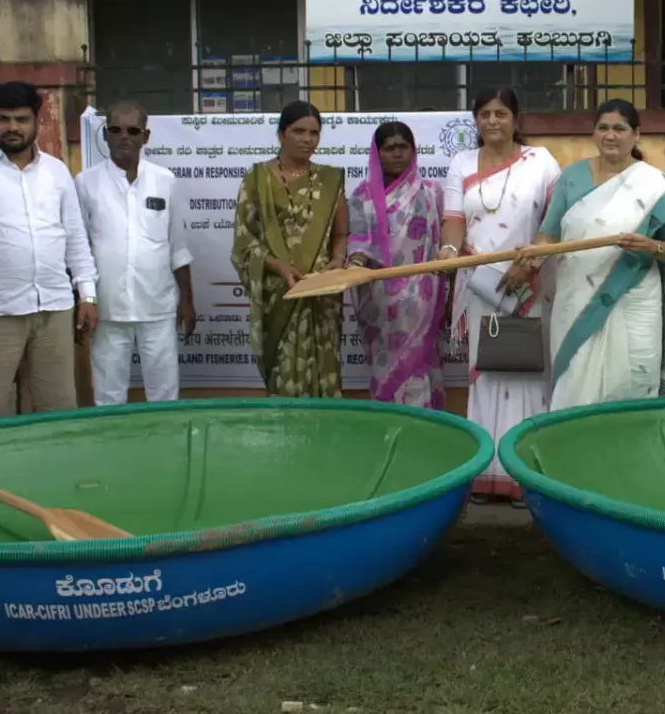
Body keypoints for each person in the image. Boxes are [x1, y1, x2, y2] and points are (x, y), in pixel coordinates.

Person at [0, 81, 99, 421]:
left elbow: (75, 237)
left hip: (54, 308)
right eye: (4, 118)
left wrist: (87, 294)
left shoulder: (57, 171)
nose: (13, 127)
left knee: (58, 407)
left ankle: (53, 471)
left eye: (21, 119)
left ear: (36, 122)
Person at [527, 99, 665, 409]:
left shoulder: (653, 185)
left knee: (632, 384)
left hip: (634, 299)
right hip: (577, 301)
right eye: (603, 128)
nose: (610, 135)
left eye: (620, 128)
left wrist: (652, 246)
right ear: (593, 133)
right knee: (576, 379)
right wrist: (534, 254)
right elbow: (548, 234)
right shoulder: (572, 177)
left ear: (636, 135)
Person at [440, 88, 561, 505]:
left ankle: (522, 473)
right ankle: (486, 472)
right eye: (485, 113)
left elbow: (555, 219)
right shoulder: (461, 163)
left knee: (525, 371)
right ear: (475, 119)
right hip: (480, 284)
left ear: (516, 117)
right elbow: (453, 220)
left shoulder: (540, 162)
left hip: (528, 282)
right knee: (487, 369)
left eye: (501, 113)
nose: (493, 121)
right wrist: (449, 253)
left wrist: (527, 267)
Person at [76, 100, 196, 405]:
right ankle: (112, 447)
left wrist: (188, 301)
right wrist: (84, 300)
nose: (124, 137)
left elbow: (177, 247)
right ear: (105, 135)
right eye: (115, 129)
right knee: (108, 394)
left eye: (133, 130)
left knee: (164, 392)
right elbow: (79, 250)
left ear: (146, 137)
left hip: (157, 306)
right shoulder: (85, 183)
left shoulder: (165, 181)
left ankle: (164, 447)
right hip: (107, 308)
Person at [230, 101, 348, 398]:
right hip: (280, 292)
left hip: (321, 293)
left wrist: (337, 260)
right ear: (281, 134)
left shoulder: (331, 179)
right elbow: (245, 240)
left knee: (324, 370)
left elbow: (341, 232)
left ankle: (323, 439)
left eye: (314, 133)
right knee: (283, 374)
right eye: (299, 131)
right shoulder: (257, 178)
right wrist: (279, 267)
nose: (307, 139)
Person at [347, 120, 448, 410]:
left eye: (404, 147)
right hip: (380, 300)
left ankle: (426, 431)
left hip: (423, 299)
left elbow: (443, 241)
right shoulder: (362, 195)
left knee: (421, 364)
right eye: (389, 148)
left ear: (413, 151)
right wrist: (355, 264)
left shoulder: (431, 192)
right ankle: (392, 427)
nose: (397, 154)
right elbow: (358, 240)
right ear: (377, 154)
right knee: (386, 365)